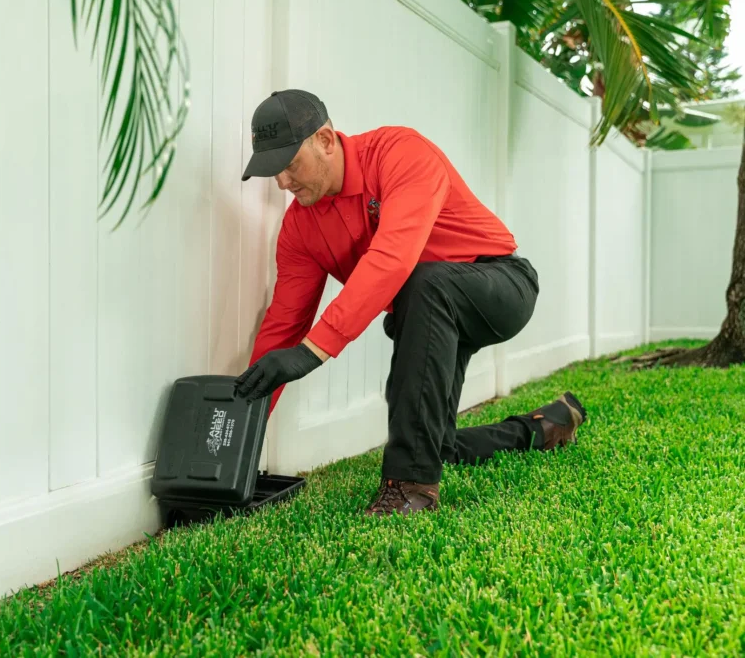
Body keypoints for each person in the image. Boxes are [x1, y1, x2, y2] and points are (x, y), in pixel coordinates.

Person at [233, 89, 587, 517]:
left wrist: (312, 352)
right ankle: (544, 427)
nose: (283, 184)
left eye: (290, 166)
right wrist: (239, 438)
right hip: (429, 310)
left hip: (501, 285)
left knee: (422, 280)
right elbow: (283, 326)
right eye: (274, 173)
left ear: (325, 140)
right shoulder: (299, 229)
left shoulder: (399, 153)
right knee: (435, 443)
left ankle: (410, 487)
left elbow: (393, 258)